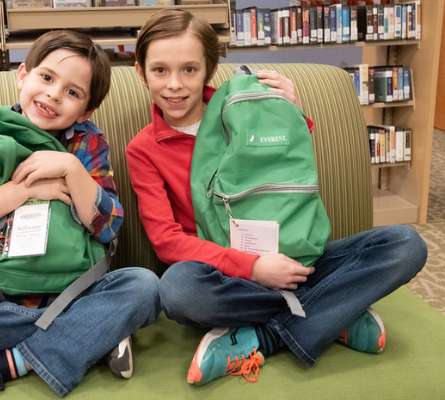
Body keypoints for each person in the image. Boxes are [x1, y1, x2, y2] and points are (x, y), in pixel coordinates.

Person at [126, 8, 427, 387]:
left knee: (405, 244)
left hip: (296, 259)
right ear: (140, 71)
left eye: (189, 69)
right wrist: (252, 268)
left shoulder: (252, 106)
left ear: (208, 69)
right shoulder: (143, 148)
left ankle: (263, 335)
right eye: (159, 70)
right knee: (178, 289)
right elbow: (167, 242)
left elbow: (292, 181)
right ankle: (332, 314)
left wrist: (290, 115)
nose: (174, 84)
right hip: (229, 273)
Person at [0, 30, 161, 399]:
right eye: (46, 78)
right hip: (1, 297)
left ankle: (8, 363)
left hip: (78, 291)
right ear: (23, 75)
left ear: (86, 110)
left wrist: (71, 169)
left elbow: (110, 228)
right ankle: (94, 335)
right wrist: (24, 191)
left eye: (72, 92)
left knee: (145, 287)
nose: (53, 95)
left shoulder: (87, 144)